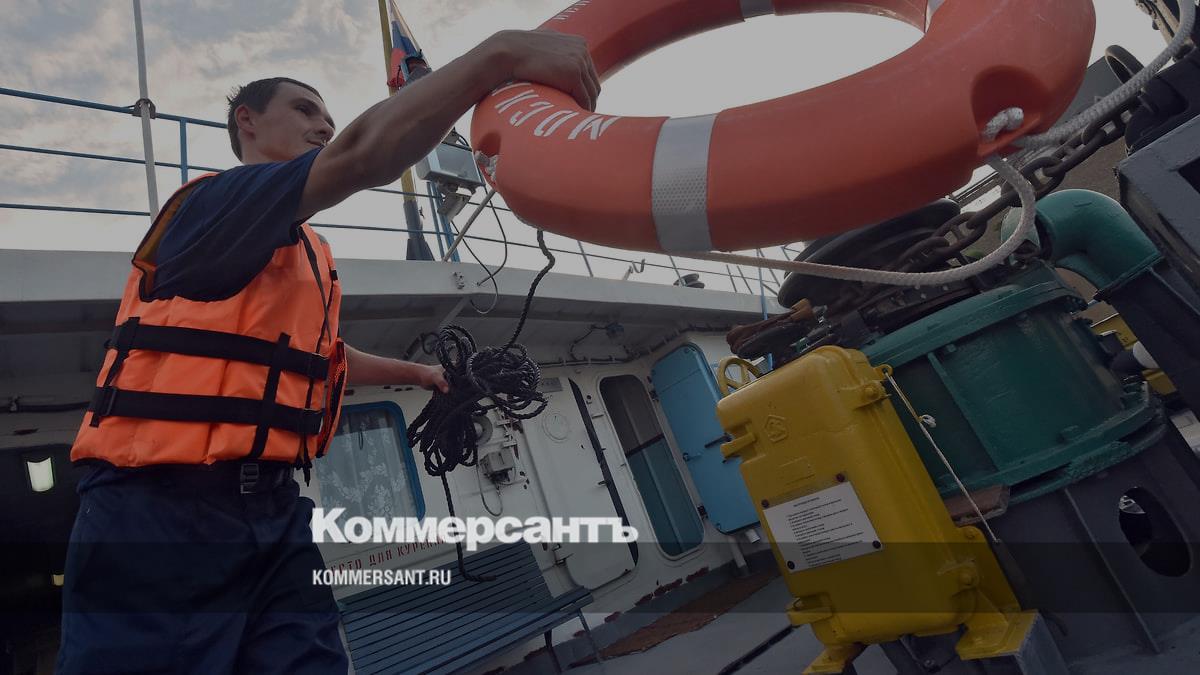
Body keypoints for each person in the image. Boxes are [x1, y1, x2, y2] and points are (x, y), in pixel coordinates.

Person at [55, 29, 599, 674]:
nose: (324, 126)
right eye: (304, 110)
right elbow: (361, 155)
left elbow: (322, 355)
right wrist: (499, 56)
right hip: (156, 512)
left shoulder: (307, 250)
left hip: (273, 510)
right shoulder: (213, 204)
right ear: (247, 121)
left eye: (329, 117)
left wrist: (421, 373)